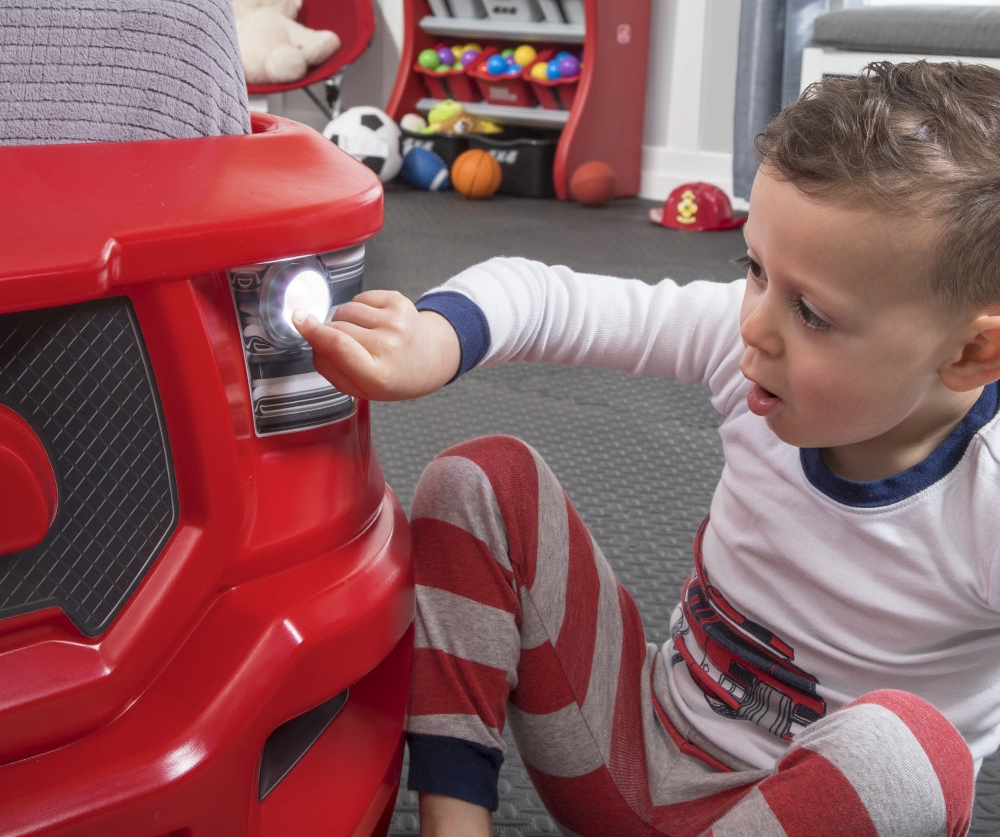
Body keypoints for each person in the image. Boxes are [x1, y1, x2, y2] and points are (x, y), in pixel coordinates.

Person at [295, 60, 1000, 836]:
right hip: (632, 759)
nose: (755, 326)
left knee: (911, 753)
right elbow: (544, 295)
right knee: (479, 479)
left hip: (811, 815)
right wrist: (431, 339)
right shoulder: (750, 341)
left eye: (815, 315)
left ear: (970, 355)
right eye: (754, 269)